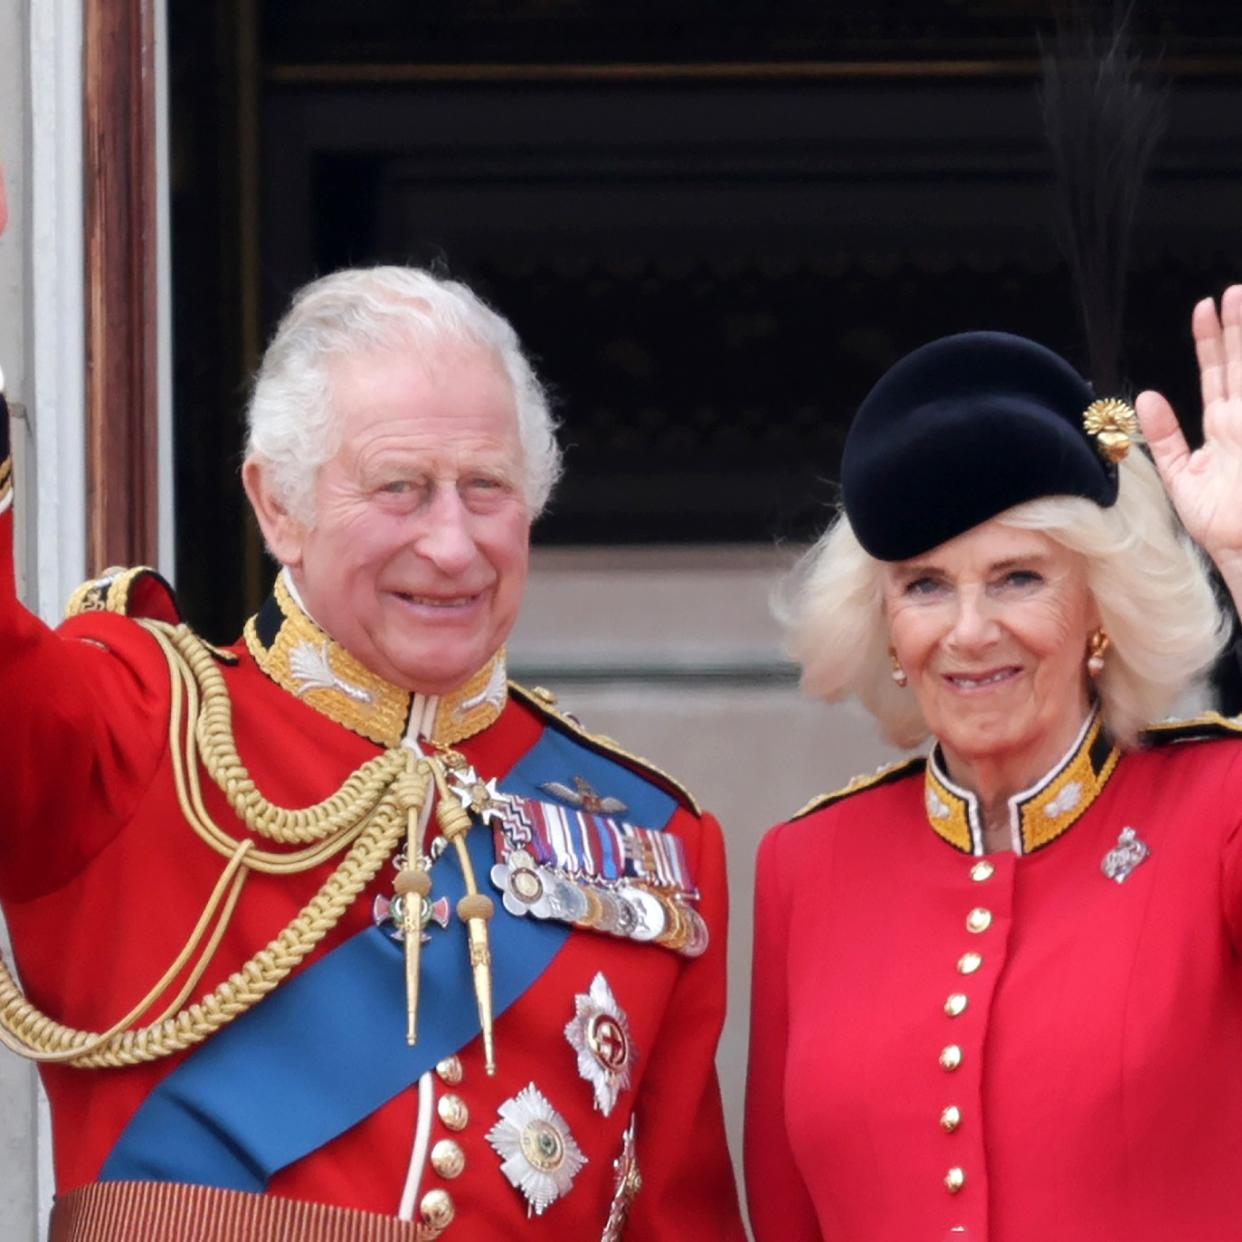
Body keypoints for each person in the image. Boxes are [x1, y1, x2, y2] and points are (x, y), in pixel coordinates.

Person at [0, 169, 745, 1239]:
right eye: (399, 487)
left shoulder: (652, 840)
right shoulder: (135, 729)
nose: (451, 544)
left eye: (486, 488)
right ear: (278, 505)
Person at [745, 290, 1242, 1242]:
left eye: (1019, 577)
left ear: (1100, 605)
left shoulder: (1218, 809)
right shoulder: (805, 867)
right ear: (885, 624)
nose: (970, 632)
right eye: (925, 586)